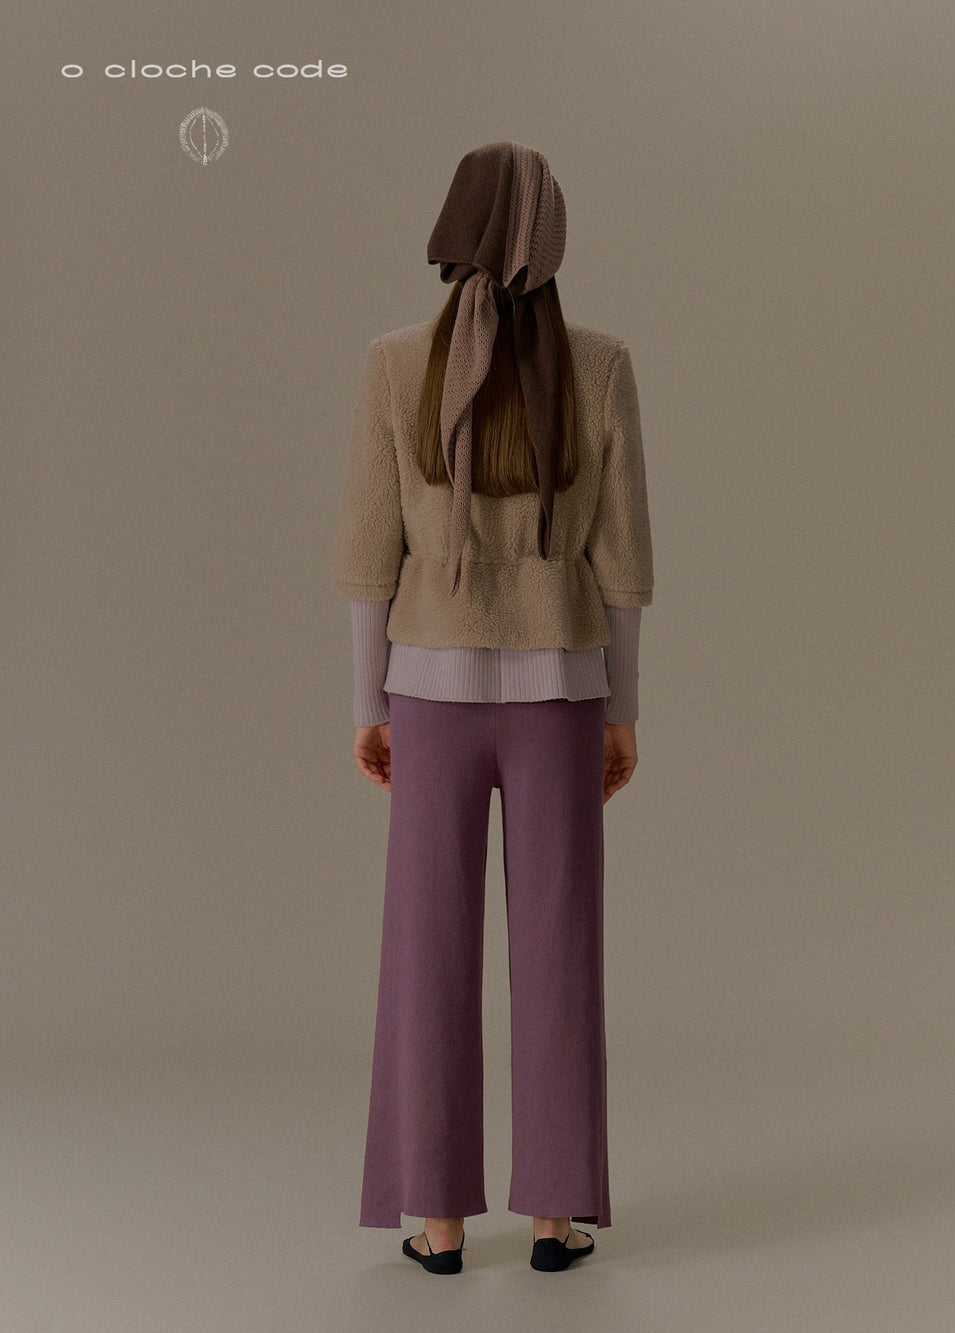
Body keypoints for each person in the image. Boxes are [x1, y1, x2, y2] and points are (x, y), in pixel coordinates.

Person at [333, 141, 654, 1275]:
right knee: (561, 949)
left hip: (427, 691)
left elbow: (368, 556)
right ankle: (557, 1214)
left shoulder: (394, 364)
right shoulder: (600, 364)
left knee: (424, 950)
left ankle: (435, 1218)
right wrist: (622, 709)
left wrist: (367, 699)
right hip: (562, 690)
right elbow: (623, 563)